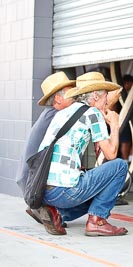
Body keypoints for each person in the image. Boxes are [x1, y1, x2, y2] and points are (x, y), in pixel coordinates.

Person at [38, 71, 128, 236]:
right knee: (120, 166)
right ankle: (97, 221)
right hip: (65, 192)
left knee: (98, 188)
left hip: (46, 192)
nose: (107, 101)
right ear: (95, 95)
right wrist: (115, 125)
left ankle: (58, 214)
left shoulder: (62, 113)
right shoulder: (92, 114)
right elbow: (111, 154)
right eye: (105, 97)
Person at [15, 72, 76, 224]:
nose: (75, 96)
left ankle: (42, 209)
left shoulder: (50, 114)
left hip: (29, 179)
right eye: (71, 92)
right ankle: (43, 209)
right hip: (34, 182)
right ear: (57, 98)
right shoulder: (57, 115)